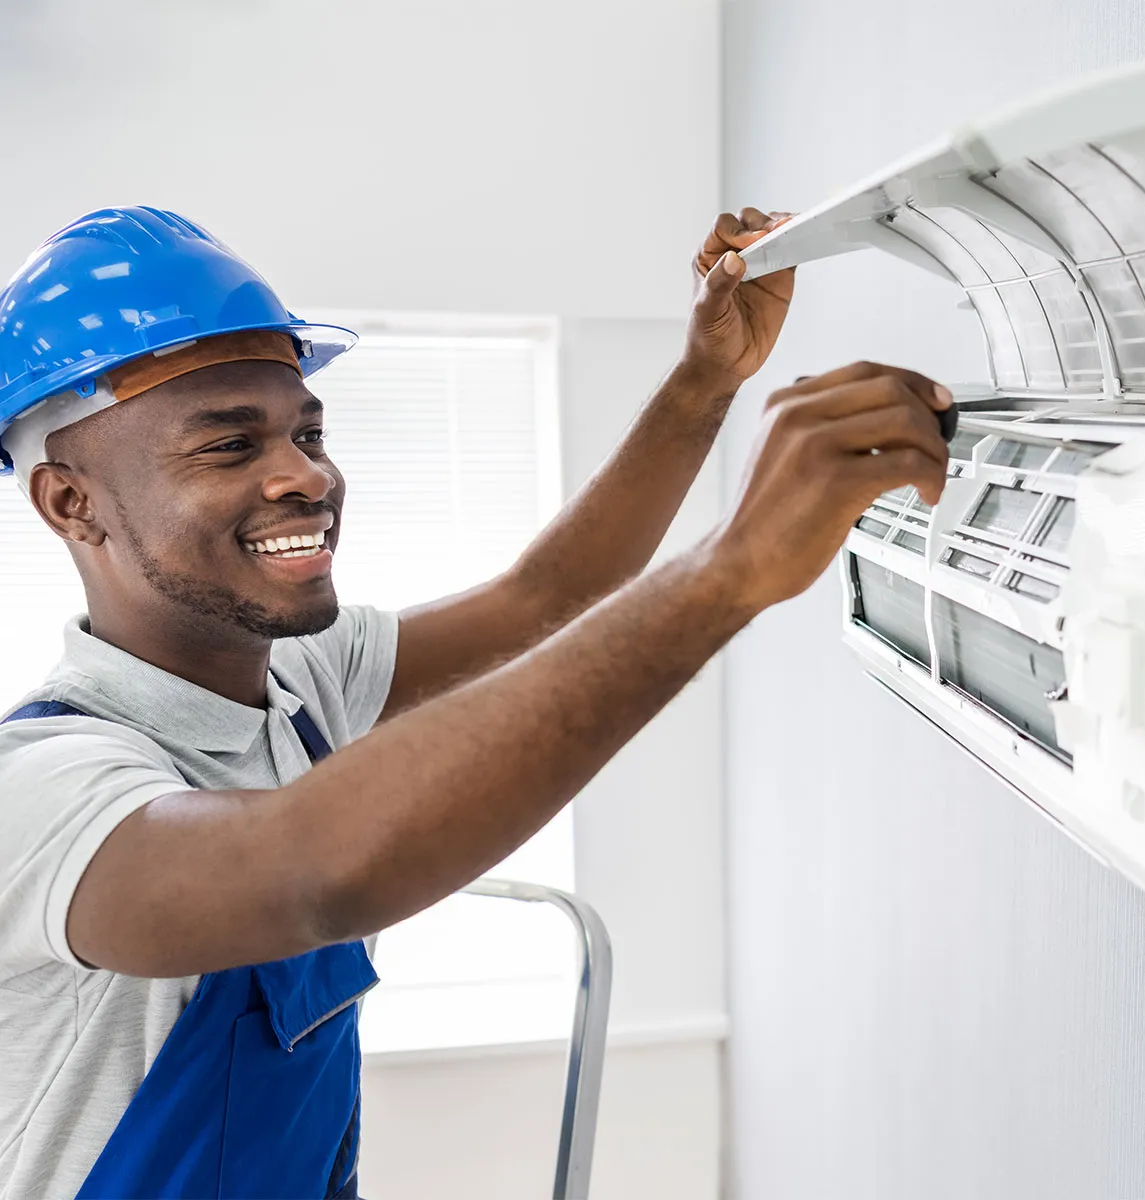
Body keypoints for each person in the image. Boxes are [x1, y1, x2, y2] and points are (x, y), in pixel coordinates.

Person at [0, 206, 951, 1199]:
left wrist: (706, 378)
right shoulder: (40, 791)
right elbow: (311, 872)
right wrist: (727, 572)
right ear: (72, 504)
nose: (305, 475)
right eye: (229, 447)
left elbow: (546, 599)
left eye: (307, 431)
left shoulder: (306, 683)